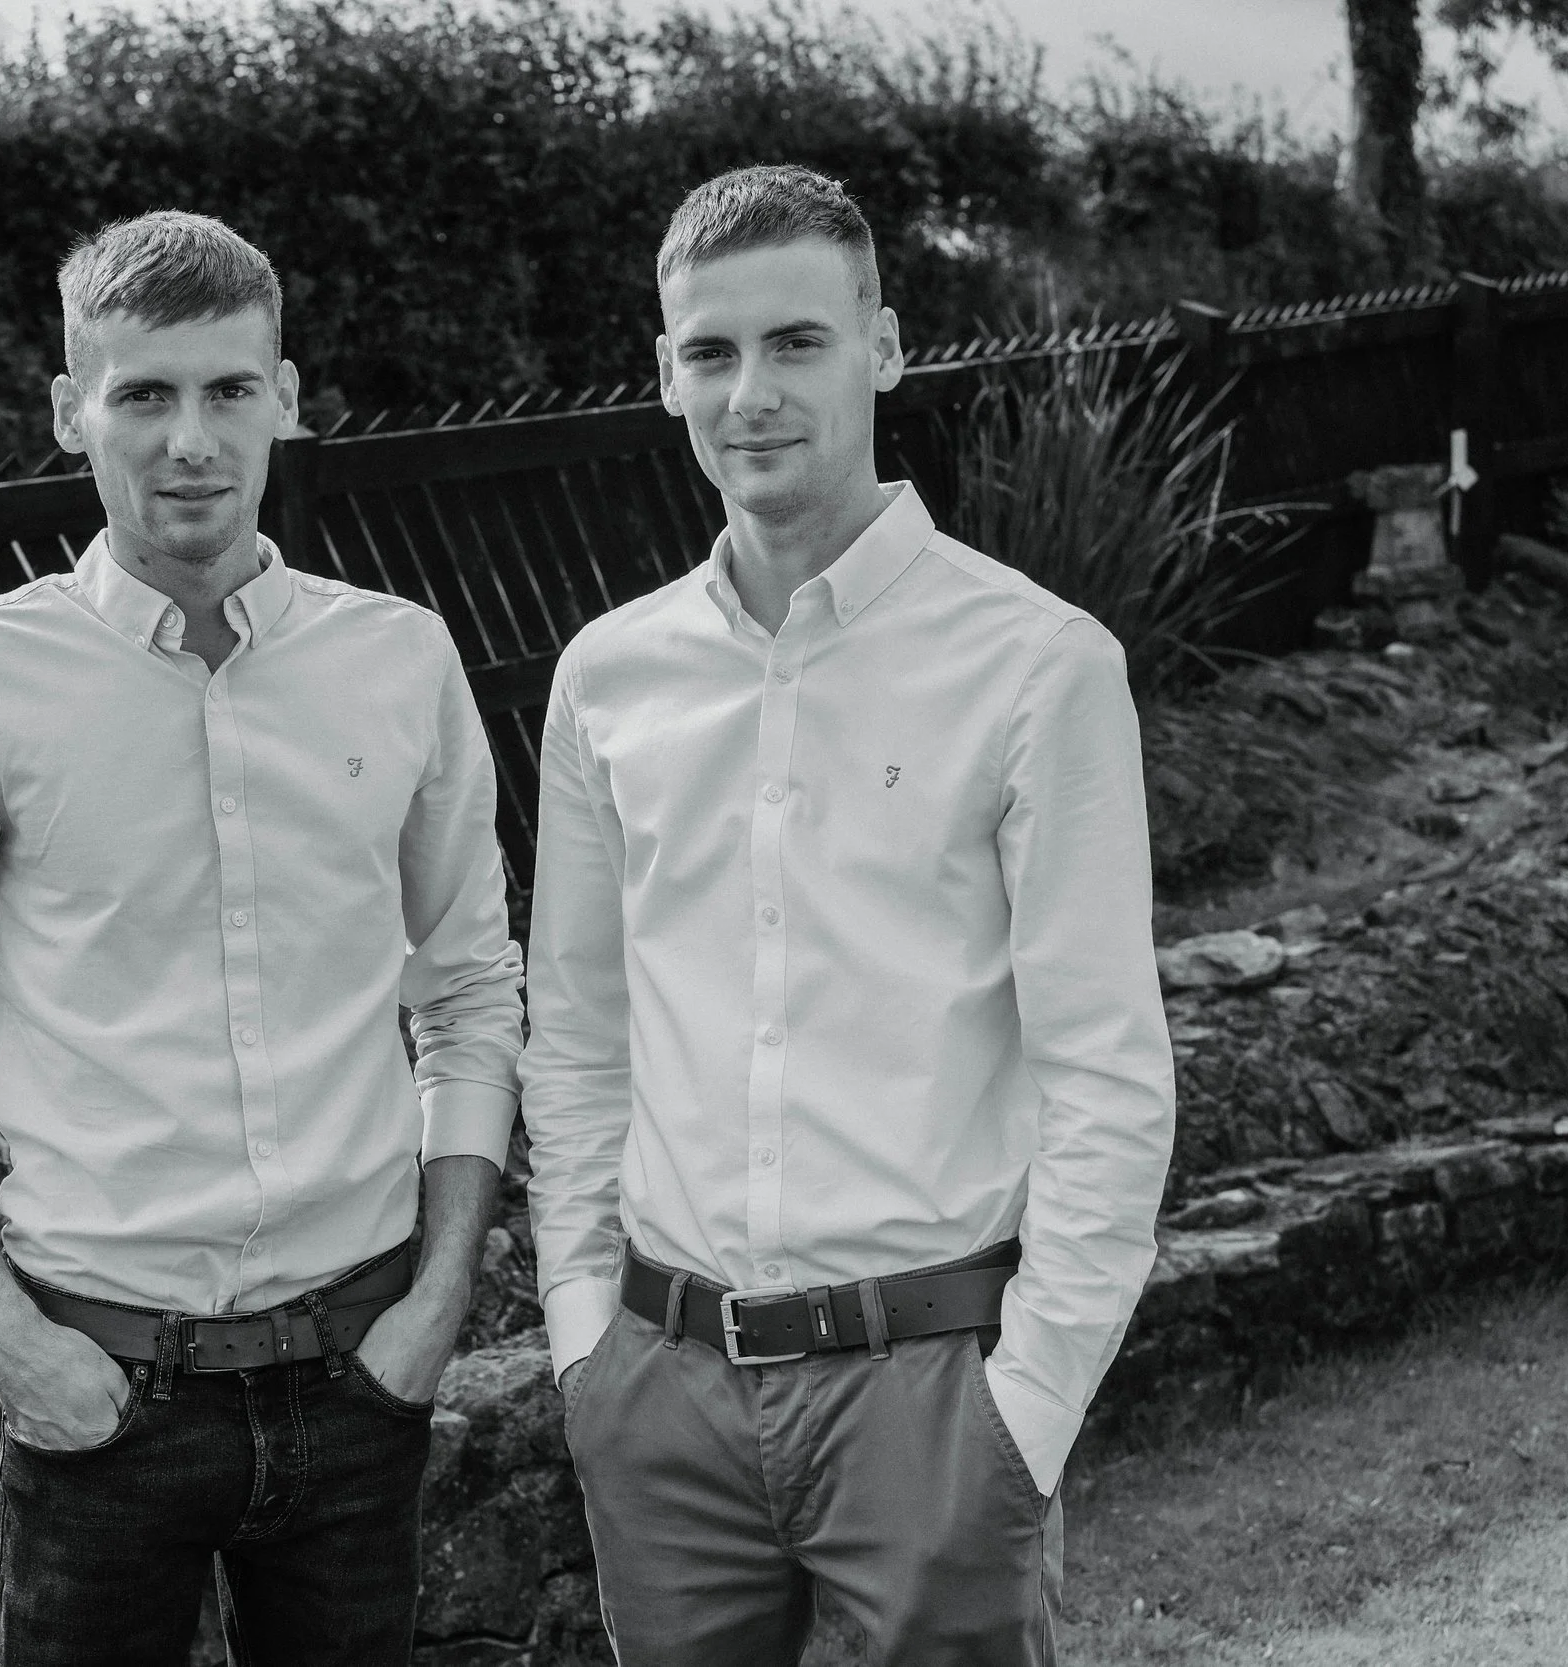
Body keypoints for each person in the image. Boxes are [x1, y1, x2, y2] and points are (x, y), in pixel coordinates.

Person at [0, 210, 525, 1667]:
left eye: (227, 390)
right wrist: (7, 1336)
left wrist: (441, 1298)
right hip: (98, 1392)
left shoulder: (398, 658)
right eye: (142, 393)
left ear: (285, 397)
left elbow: (466, 994)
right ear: (70, 408)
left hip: (358, 1375)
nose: (189, 439)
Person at [520, 165, 1176, 1665]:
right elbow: (575, 1033)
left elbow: (1105, 1066)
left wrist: (1032, 1403)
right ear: (668, 374)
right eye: (711, 352)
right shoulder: (607, 679)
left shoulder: (1037, 665)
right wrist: (580, 1337)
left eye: (798, 343)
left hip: (934, 1390)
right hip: (663, 1389)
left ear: (882, 348)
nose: (751, 392)